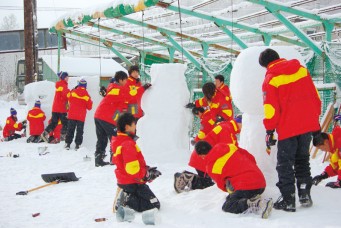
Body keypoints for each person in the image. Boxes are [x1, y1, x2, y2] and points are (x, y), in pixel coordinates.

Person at [259, 48, 321, 212]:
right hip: (306, 126)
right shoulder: (302, 70)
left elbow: (271, 109)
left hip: (288, 128)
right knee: (302, 160)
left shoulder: (271, 79)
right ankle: (304, 194)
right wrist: (315, 122)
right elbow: (315, 97)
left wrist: (269, 130)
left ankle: (288, 200)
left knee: (285, 164)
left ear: (266, 65)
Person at [195, 141, 273, 219]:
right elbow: (251, 157)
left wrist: (233, 191)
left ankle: (258, 204)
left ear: (202, 156)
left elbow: (223, 186)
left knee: (228, 205)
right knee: (233, 197)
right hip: (261, 183)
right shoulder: (229, 147)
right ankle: (251, 198)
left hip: (247, 187)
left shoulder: (211, 166)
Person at [174, 116, 242, 193]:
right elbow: (227, 150)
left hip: (203, 156)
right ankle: (184, 178)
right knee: (207, 186)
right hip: (203, 157)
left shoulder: (228, 128)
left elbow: (234, 148)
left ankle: (187, 177)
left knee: (208, 183)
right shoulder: (226, 129)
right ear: (239, 122)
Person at [112, 113, 161, 212]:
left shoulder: (119, 140)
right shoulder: (127, 144)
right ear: (127, 127)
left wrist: (147, 170)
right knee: (154, 204)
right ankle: (126, 200)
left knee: (147, 198)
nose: (135, 127)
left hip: (125, 180)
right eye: (134, 125)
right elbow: (132, 169)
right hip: (132, 182)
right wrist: (146, 174)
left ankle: (126, 194)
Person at [94, 71, 129, 167]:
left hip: (98, 115)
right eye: (125, 79)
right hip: (106, 117)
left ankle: (98, 160)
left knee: (101, 138)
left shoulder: (112, 88)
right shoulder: (120, 90)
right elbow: (123, 106)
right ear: (121, 80)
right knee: (116, 137)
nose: (126, 82)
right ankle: (114, 159)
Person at [41, 71, 70, 142]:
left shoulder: (59, 85)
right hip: (61, 108)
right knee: (65, 123)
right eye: (66, 77)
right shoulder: (63, 85)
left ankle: (45, 133)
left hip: (55, 108)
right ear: (63, 78)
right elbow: (66, 95)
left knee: (54, 122)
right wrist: (72, 92)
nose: (68, 78)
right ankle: (63, 136)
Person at [65, 79, 93, 150]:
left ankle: (68, 144)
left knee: (70, 130)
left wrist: (73, 89)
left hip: (72, 115)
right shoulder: (87, 95)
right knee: (79, 131)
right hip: (81, 116)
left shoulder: (74, 92)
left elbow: (68, 97)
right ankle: (77, 145)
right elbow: (89, 107)